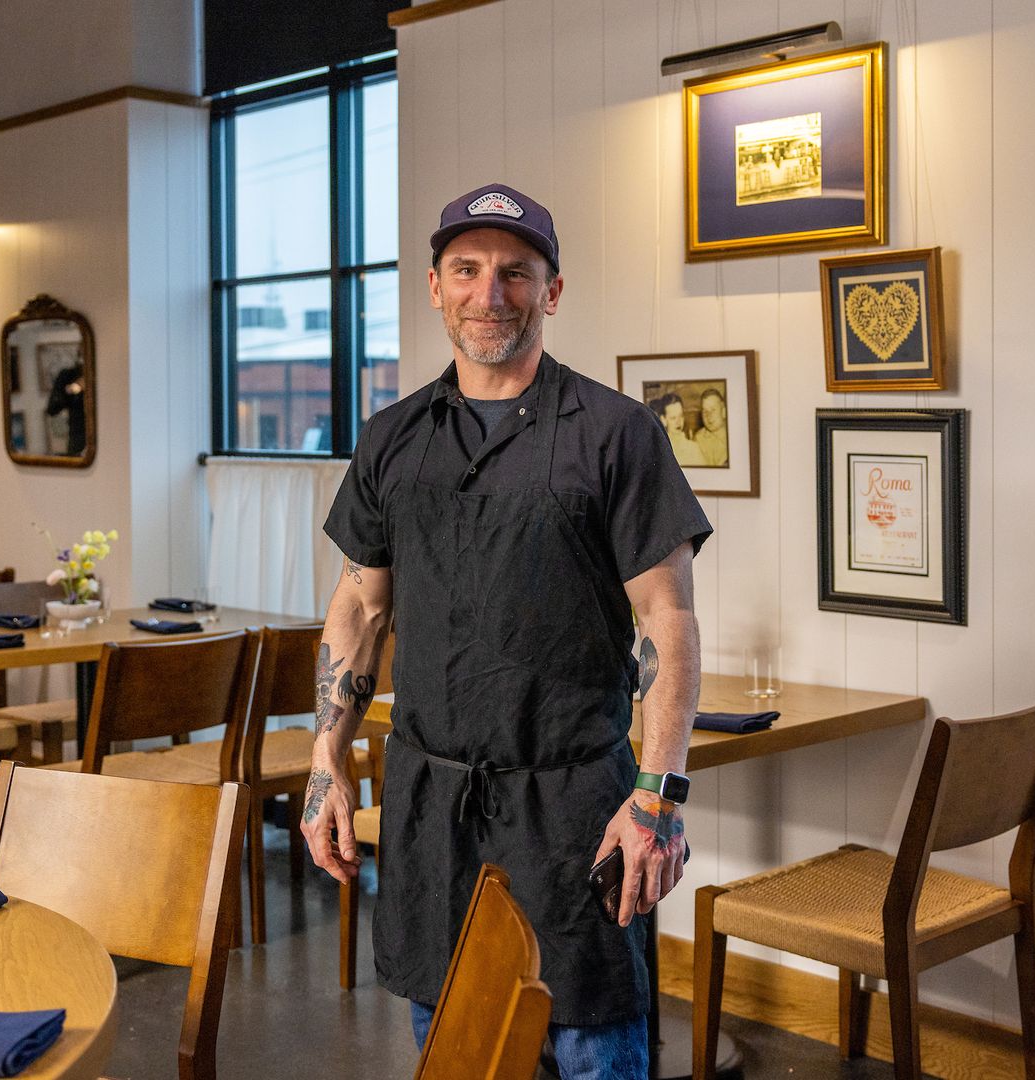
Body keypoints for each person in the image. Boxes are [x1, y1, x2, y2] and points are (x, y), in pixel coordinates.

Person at [306, 182, 711, 1078]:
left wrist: (658, 795)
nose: (490, 293)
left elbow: (668, 620)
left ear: (552, 291)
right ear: (435, 286)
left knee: (592, 1045)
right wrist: (325, 755)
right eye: (467, 270)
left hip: (576, 810)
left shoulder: (616, 433)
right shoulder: (391, 437)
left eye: (516, 273)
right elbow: (360, 605)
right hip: (430, 807)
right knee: (458, 1047)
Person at [650, 392, 706, 467]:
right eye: (673, 418)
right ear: (663, 420)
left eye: (681, 416)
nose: (678, 422)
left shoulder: (693, 448)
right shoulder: (658, 449)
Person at [692, 386, 729, 467]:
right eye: (705, 411)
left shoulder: (734, 436)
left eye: (713, 410)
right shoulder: (699, 439)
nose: (708, 416)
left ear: (724, 411)